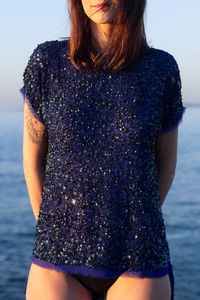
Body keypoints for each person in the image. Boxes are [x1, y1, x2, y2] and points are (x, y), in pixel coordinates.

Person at [20, 0, 186, 299]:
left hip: (139, 258)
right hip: (57, 260)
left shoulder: (162, 69)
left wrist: (134, 222)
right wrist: (52, 230)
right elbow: (33, 162)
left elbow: (166, 164)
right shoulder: (48, 61)